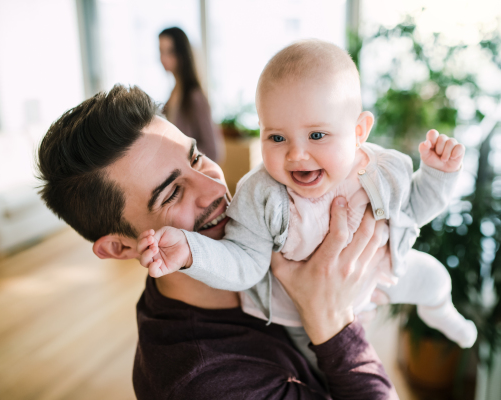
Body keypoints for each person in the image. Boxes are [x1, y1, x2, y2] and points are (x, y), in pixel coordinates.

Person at [36, 84, 398, 399]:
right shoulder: (205, 382)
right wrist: (331, 321)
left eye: (197, 157)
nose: (215, 188)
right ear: (121, 247)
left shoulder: (274, 228)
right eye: (172, 193)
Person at [137, 40, 478, 372]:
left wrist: (438, 174)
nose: (296, 154)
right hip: (304, 315)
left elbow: (415, 209)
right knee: (324, 370)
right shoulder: (262, 195)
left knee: (434, 277)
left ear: (359, 131)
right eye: (277, 137)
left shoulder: (382, 170)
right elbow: (244, 261)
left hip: (378, 279)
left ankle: (441, 312)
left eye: (316, 135)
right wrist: (190, 250)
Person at [159, 27, 224, 163]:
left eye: (169, 52)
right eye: (161, 51)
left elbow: (213, 151)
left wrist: (181, 157)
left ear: (181, 53)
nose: (163, 58)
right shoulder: (173, 95)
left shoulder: (195, 96)